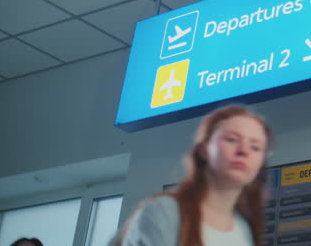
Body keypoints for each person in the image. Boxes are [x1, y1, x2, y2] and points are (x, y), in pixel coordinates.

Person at [114, 105, 272, 246]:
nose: (243, 151)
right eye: (231, 139)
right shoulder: (165, 211)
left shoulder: (243, 229)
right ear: (204, 149)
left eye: (255, 147)